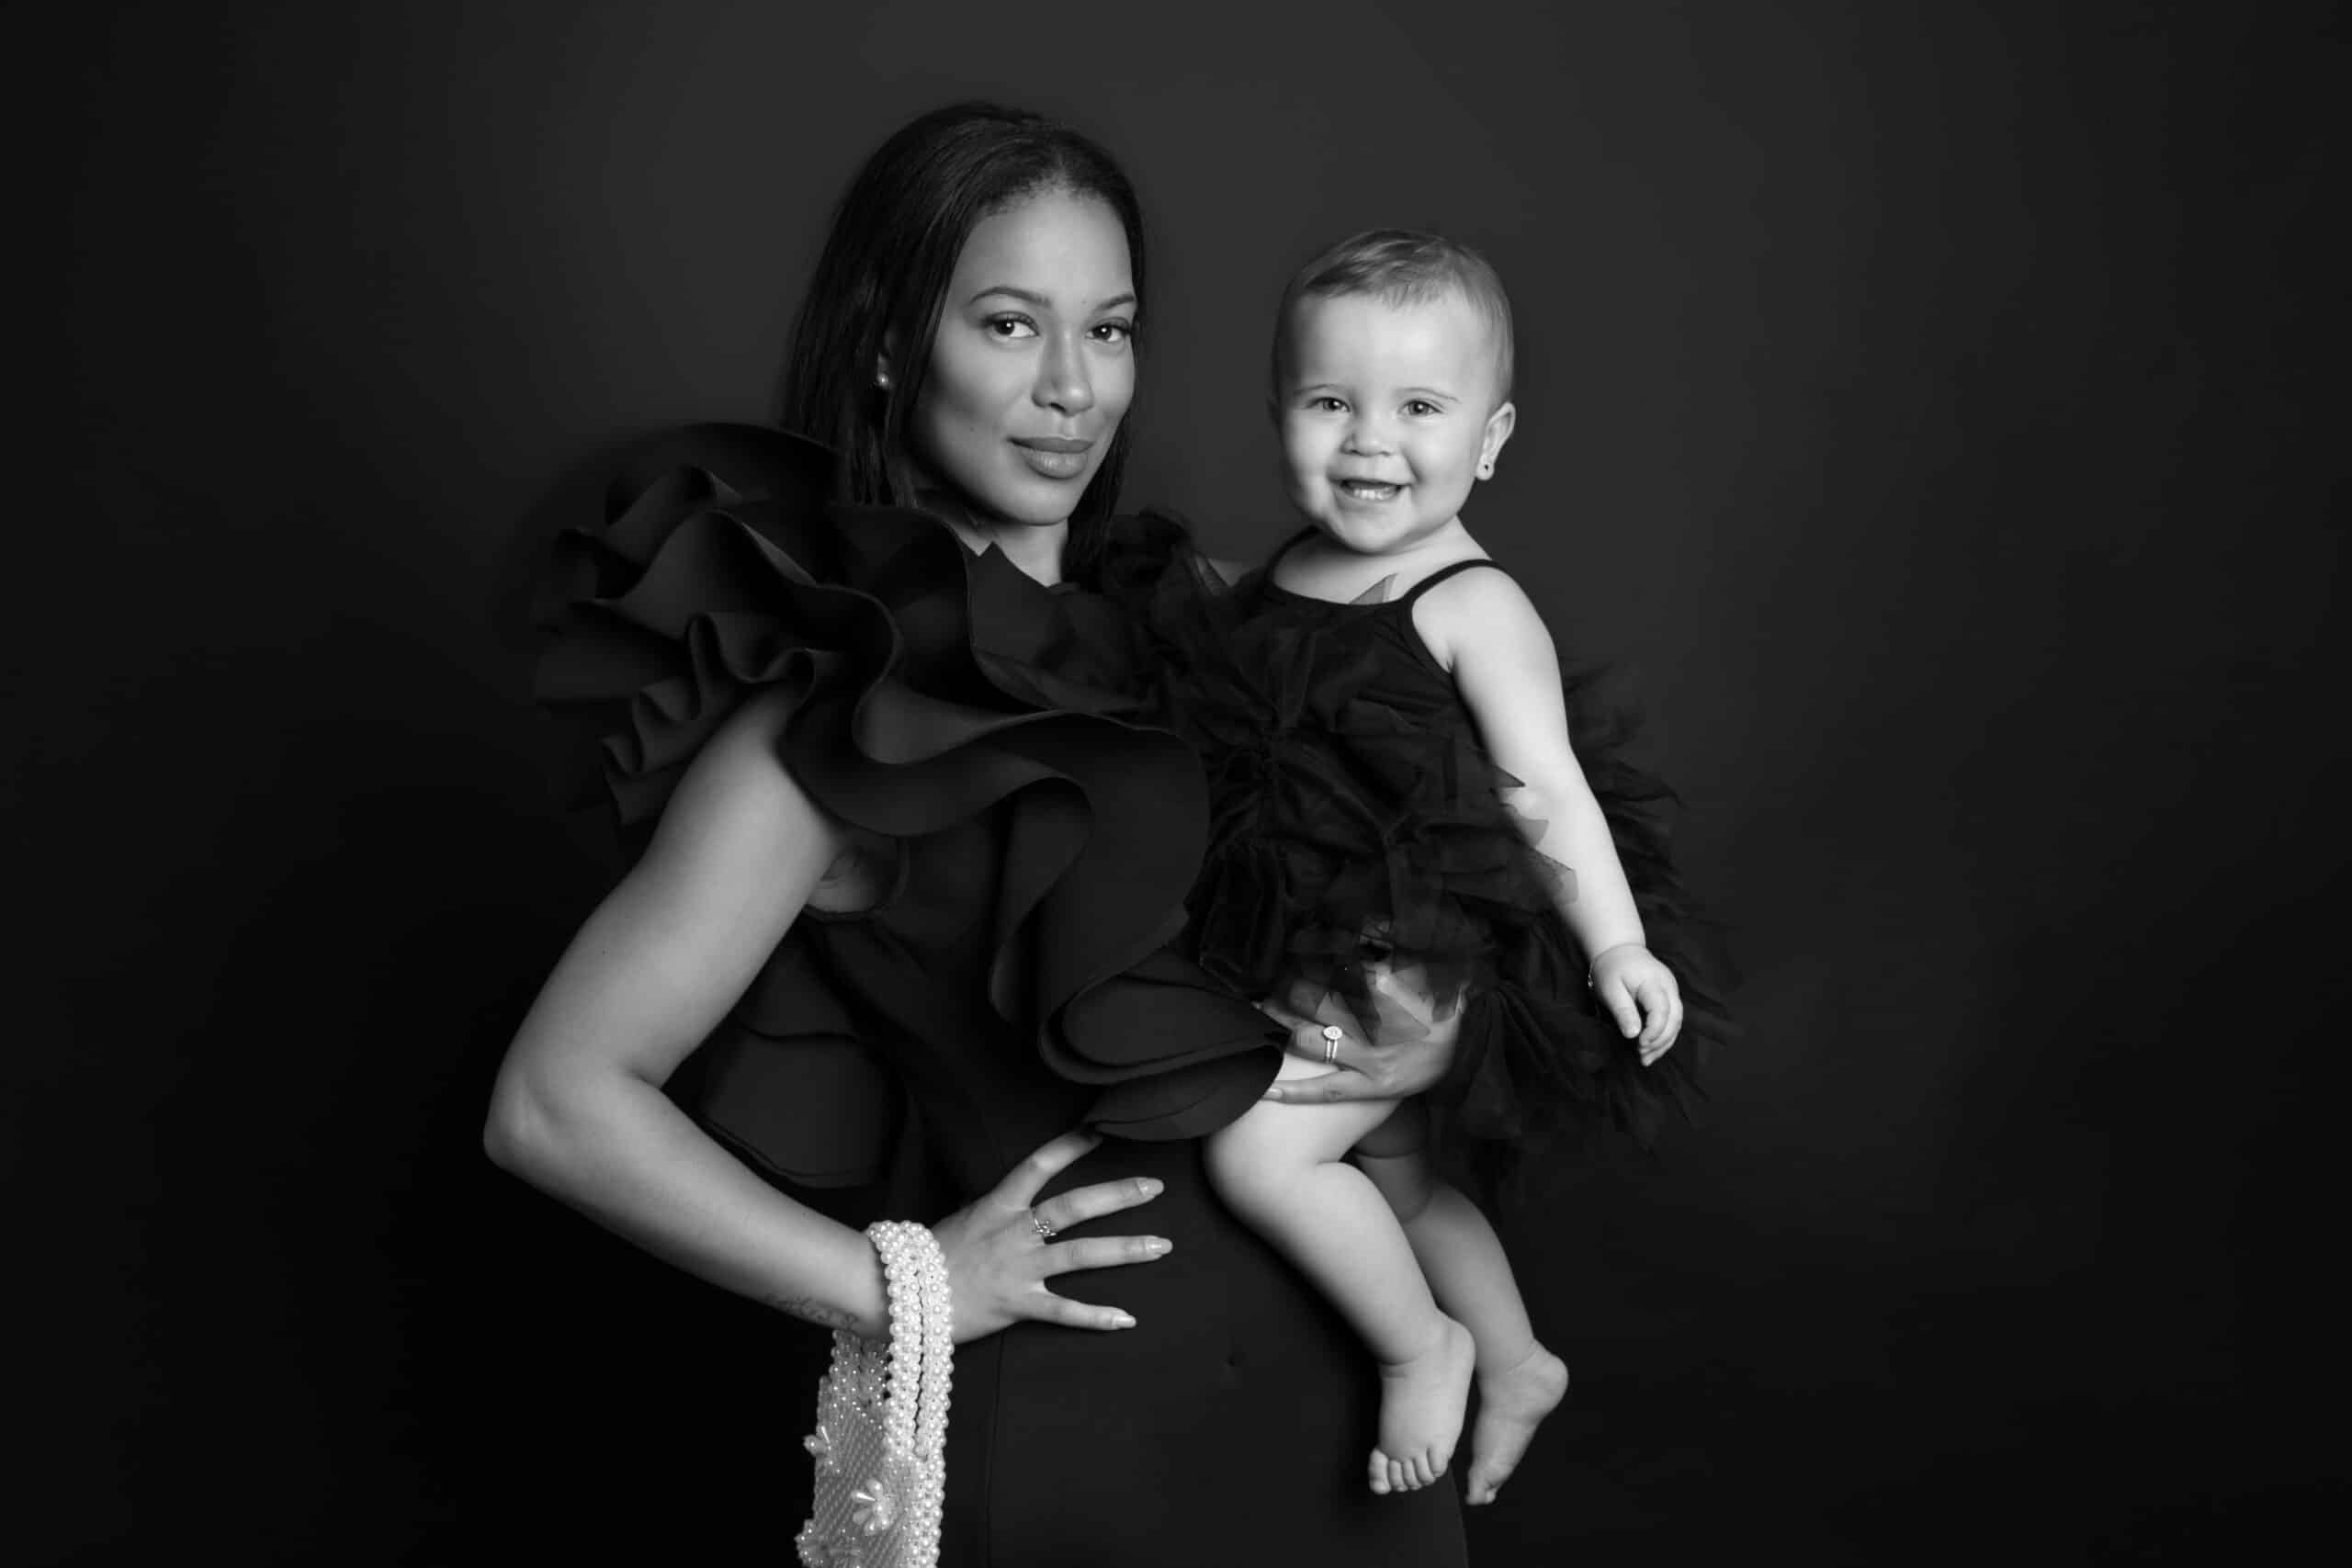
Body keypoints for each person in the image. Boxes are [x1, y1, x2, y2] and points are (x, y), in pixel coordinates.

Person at [485, 107, 1471, 1565]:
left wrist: (1425, 1032)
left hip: (1360, 1435)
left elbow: (1434, 923)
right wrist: (902, 1284)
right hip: (1089, 1453)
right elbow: (555, 1104)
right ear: (893, 343)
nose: (1073, 388)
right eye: (1010, 325)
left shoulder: (1221, 620)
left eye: (1111, 329)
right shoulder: (837, 718)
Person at [1164, 230, 1725, 1504]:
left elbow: (1549, 795)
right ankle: (1524, 1361)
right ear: (1278, 416)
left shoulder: (1473, 605)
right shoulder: (1287, 575)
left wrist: (1618, 947)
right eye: (1329, 403)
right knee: (1399, 1173)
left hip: (1412, 956)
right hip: (1302, 934)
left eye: (1419, 408)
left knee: (1262, 1159)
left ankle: (1428, 1346)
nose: (1370, 441)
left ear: (1491, 435)